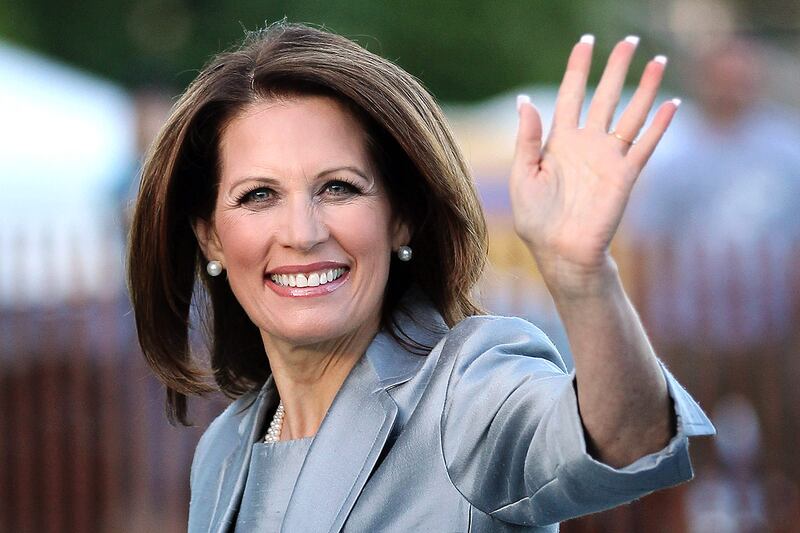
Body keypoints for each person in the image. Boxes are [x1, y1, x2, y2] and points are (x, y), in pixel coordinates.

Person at [127, 23, 714, 532]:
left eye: (338, 188)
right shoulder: (223, 450)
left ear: (400, 219)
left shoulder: (467, 389)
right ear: (211, 238)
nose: (302, 233)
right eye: (258, 195)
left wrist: (582, 276)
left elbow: (626, 439)